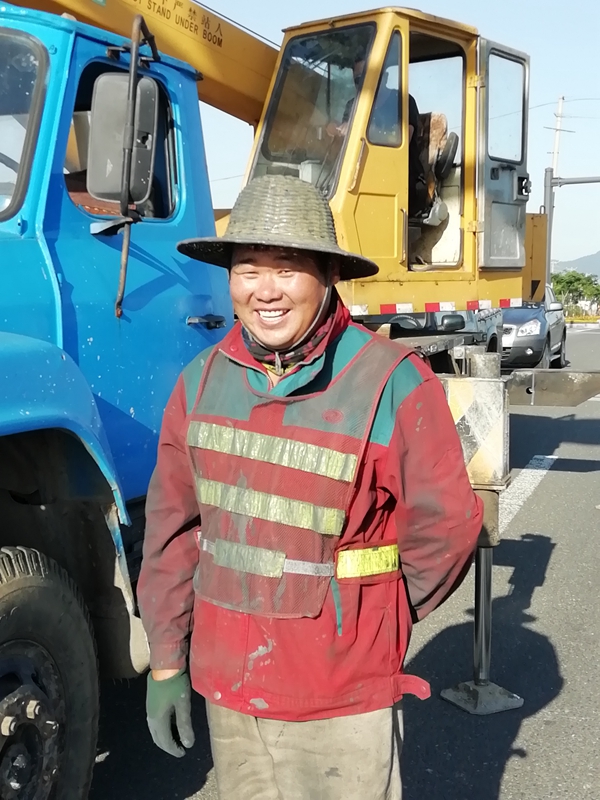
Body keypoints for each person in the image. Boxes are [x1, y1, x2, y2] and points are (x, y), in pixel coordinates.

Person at [137, 173, 482, 800]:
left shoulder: (392, 382)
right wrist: (166, 661)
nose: (265, 290)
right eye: (247, 269)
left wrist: (373, 621)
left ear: (328, 275)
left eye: (287, 268)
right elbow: (172, 532)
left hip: (341, 703)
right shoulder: (200, 382)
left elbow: (446, 530)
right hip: (231, 694)